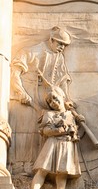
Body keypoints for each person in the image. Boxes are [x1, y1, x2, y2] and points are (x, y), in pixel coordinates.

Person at [9, 26, 73, 174]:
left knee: (39, 132)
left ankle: (33, 165)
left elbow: (62, 80)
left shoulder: (59, 57)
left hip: (47, 99)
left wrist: (66, 99)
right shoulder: (30, 51)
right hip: (28, 95)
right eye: (60, 43)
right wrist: (21, 93)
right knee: (24, 131)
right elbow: (15, 73)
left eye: (65, 45)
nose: (62, 47)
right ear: (51, 40)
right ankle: (18, 166)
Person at [24, 86, 83, 189]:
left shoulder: (71, 114)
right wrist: (58, 130)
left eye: (55, 99)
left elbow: (75, 129)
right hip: (52, 144)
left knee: (62, 171)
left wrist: (79, 120)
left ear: (62, 97)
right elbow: (45, 131)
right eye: (50, 101)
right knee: (42, 169)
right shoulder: (49, 114)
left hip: (66, 144)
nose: (53, 103)